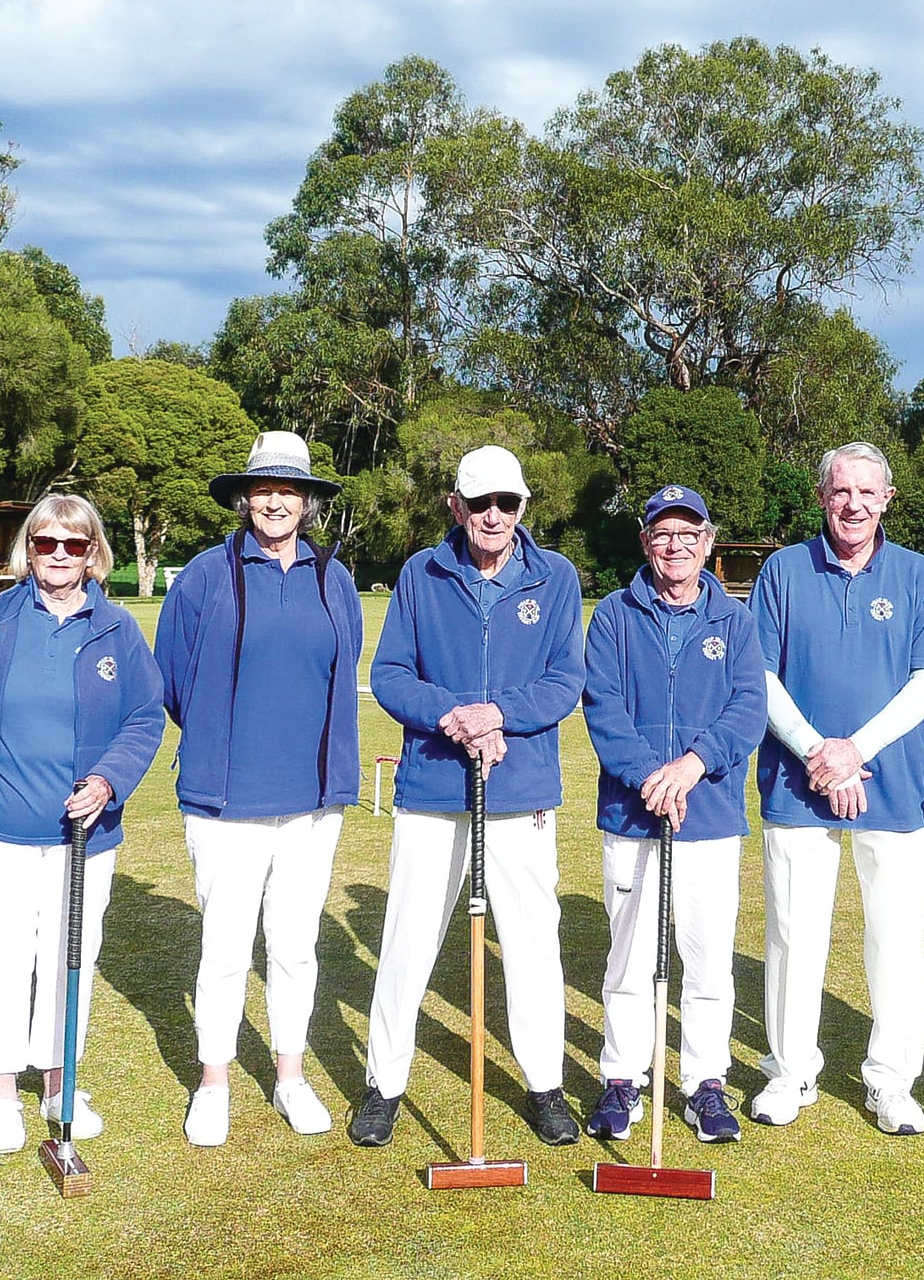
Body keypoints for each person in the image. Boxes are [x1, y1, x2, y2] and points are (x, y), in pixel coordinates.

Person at [354, 445, 585, 1148]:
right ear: (455, 505)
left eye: (505, 503)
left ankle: (545, 1085)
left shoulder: (557, 577)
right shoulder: (421, 573)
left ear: (522, 508)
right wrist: (455, 714)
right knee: (407, 940)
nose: (492, 515)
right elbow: (391, 673)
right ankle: (383, 1085)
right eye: (478, 502)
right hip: (430, 784)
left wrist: (499, 714)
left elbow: (565, 680)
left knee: (533, 946)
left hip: (521, 789)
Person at [155, 431, 364, 1144]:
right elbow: (173, 681)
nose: (276, 501)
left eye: (290, 490)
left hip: (312, 798)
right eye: (264, 489)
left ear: (307, 502)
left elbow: (342, 664)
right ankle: (213, 1081)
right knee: (225, 944)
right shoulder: (206, 575)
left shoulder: (332, 576)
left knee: (297, 944)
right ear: (246, 498)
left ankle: (290, 1075)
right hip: (226, 799)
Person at [747, 442, 924, 1134]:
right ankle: (790, 1072)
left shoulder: (917, 574)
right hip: (796, 782)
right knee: (794, 934)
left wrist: (853, 752)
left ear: (887, 499)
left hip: (891, 786)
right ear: (821, 496)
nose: (853, 505)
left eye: (868, 493)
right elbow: (761, 677)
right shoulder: (782, 569)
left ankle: (891, 1082)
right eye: (841, 492)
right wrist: (815, 751)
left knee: (894, 941)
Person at [0, 494, 164, 1153]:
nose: (60, 556)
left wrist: (107, 780)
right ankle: (0, 1094)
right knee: (1, 962)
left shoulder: (118, 630)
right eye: (47, 543)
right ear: (29, 549)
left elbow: (144, 718)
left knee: (70, 962)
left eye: (75, 545)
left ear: (95, 552)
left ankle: (58, 1086)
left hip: (83, 837)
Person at [581, 486, 767, 1144]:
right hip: (631, 816)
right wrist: (648, 777)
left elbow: (748, 707)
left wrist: (692, 765)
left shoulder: (736, 621)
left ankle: (705, 1084)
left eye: (689, 534)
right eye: (663, 534)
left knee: (708, 957)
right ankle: (622, 1080)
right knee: (630, 958)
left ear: (708, 542)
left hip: (710, 815)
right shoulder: (613, 616)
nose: (675, 546)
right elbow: (602, 706)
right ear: (645, 542)